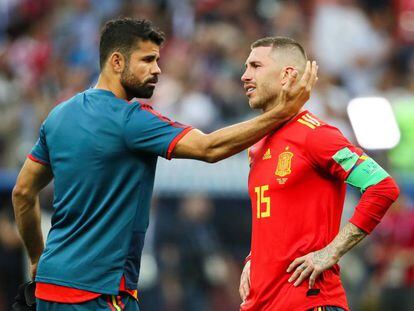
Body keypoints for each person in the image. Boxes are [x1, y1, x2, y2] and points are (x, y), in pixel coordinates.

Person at [11, 18, 317, 311]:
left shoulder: (59, 116)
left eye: (157, 60)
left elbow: (23, 193)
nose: (157, 70)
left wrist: (38, 258)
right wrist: (281, 113)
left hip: (50, 288)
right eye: (147, 60)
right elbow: (210, 147)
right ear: (116, 62)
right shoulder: (131, 119)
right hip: (98, 292)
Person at [238, 37, 400, 311]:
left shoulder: (316, 135)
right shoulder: (258, 145)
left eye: (255, 66)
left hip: (311, 302)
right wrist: (255, 258)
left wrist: (331, 252)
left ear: (287, 75)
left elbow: (383, 187)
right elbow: (277, 219)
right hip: (263, 304)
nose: (245, 76)